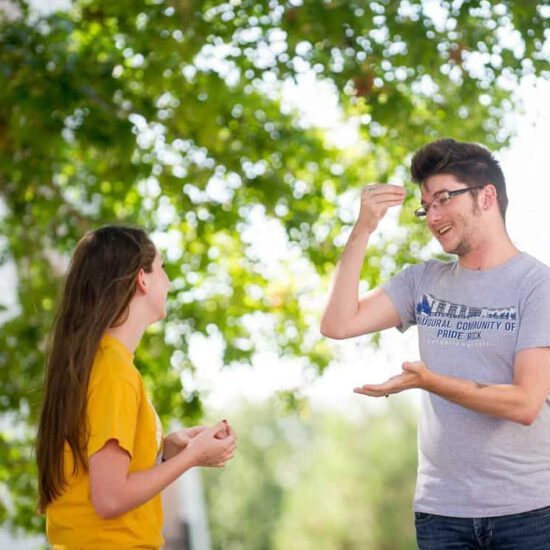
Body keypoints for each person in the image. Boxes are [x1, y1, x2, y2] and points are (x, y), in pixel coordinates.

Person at [321, 138, 550, 549]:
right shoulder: (423, 281)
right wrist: (364, 228)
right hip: (441, 514)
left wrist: (430, 381)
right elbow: (337, 323)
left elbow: (525, 403)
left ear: (486, 196)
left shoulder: (537, 286)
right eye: (426, 207)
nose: (433, 216)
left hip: (531, 514)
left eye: (443, 199)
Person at [36, 225, 237, 550]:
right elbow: (111, 498)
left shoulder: (101, 363)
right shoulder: (114, 373)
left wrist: (167, 451)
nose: (168, 280)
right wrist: (192, 458)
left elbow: (103, 477)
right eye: (161, 268)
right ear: (142, 279)